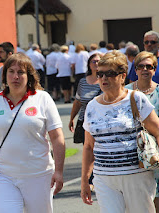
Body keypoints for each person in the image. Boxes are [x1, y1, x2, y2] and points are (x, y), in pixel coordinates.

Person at [0, 53, 65, 212]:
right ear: (4, 76)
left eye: (21, 72)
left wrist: (59, 171)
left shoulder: (43, 99)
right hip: (4, 176)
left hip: (38, 175)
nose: (15, 76)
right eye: (11, 71)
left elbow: (57, 137)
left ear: (29, 76)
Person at [81, 50, 159, 213]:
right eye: (100, 74)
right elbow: (89, 146)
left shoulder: (136, 99)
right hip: (104, 179)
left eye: (109, 74)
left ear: (122, 76)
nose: (103, 78)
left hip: (136, 177)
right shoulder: (92, 106)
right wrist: (84, 181)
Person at [125, 51, 159, 213]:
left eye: (149, 66)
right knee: (132, 189)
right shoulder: (125, 93)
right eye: (141, 66)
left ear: (154, 70)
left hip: (154, 147)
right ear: (135, 69)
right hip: (129, 147)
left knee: (158, 188)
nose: (145, 69)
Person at [69, 53, 102, 190]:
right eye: (93, 61)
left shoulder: (106, 80)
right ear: (89, 64)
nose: (96, 64)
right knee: (88, 150)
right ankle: (90, 179)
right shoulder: (83, 82)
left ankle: (100, 178)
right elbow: (77, 101)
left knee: (99, 151)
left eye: (99, 61)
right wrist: (71, 118)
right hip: (85, 122)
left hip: (101, 122)